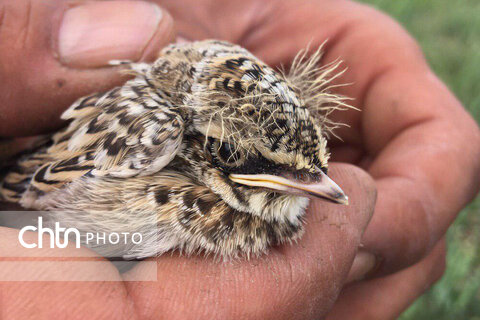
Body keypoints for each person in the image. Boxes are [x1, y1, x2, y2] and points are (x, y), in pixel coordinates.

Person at [0, 0, 478, 319]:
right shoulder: (150, 134)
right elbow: (22, 192)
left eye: (312, 165)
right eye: (232, 152)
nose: (325, 189)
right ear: (200, 147)